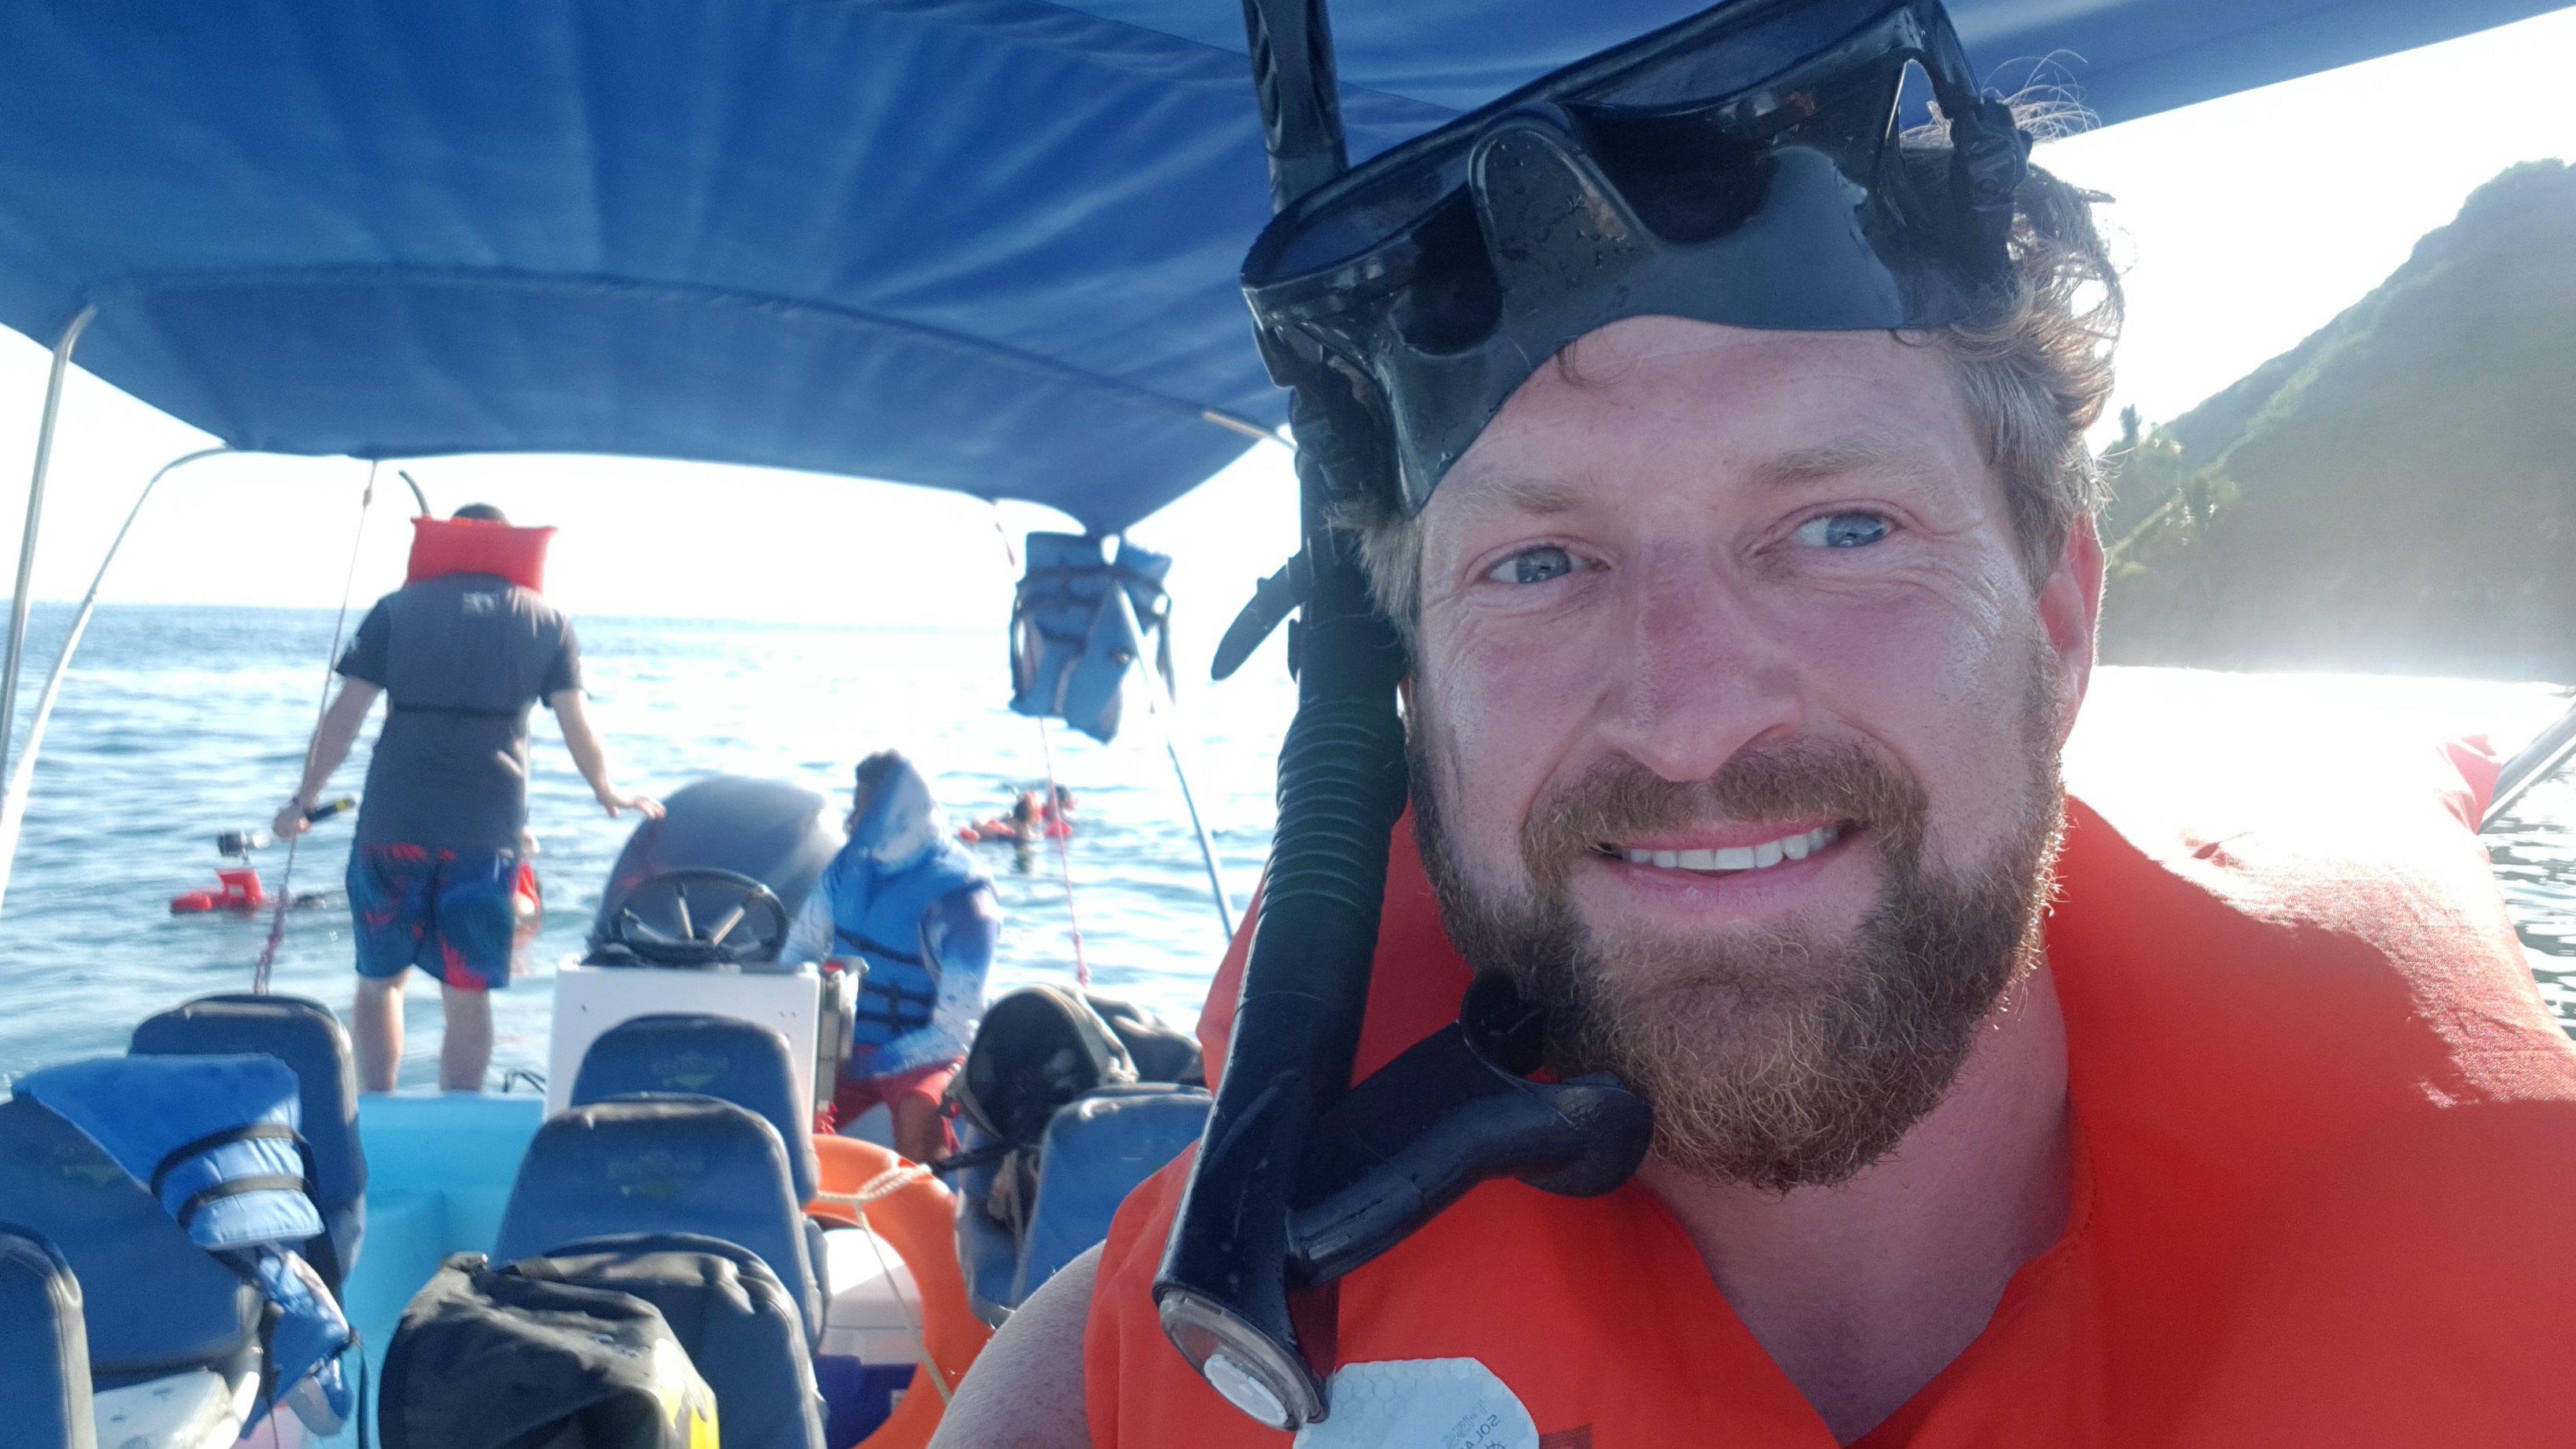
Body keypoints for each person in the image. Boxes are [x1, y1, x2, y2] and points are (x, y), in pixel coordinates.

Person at [933, 4, 2576, 1446]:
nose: (1690, 718)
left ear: (2059, 620)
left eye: (1841, 527)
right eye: (1541, 562)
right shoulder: (1102, 1401)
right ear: (1417, 693)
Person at [276, 504, 660, 1094]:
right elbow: (577, 721)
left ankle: (376, 1108)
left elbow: (345, 715)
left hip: (393, 827)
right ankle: (459, 1110)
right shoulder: (548, 621)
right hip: (485, 836)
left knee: (380, 984)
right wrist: (605, 788)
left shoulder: (396, 610)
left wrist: (304, 800)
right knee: (467, 991)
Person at [788, 749, 1002, 1163]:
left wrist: (870, 1066)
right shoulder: (845, 869)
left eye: (864, 811)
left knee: (918, 1108)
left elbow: (957, 1031)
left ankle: (932, 1199)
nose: (852, 823)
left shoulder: (966, 902)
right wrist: (798, 1033)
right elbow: (799, 950)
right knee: (786, 1089)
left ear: (902, 816)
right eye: (854, 809)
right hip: (844, 1047)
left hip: (932, 1054)